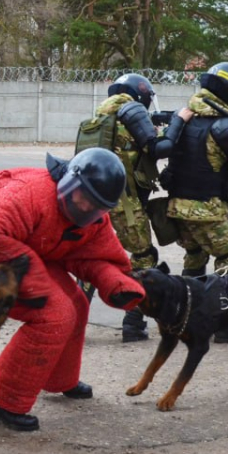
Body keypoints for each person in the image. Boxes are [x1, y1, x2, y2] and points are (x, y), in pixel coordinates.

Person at [0, 147, 146, 431]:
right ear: (69, 181)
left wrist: (118, 284)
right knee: (55, 314)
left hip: (31, 251)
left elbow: (96, 255)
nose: (87, 208)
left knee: (76, 302)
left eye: (96, 206)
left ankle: (60, 378)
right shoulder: (28, 193)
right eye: (84, 198)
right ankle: (3, 401)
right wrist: (35, 284)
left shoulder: (92, 216)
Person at [152, 63, 228, 343]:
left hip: (177, 206)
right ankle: (223, 325)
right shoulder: (225, 126)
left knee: (196, 258)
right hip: (205, 209)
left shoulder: (184, 117)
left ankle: (188, 317)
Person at [90, 72, 162, 342]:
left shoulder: (104, 115)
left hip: (97, 201)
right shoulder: (131, 110)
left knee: (92, 261)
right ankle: (133, 322)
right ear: (140, 92)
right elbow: (154, 148)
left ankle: (73, 318)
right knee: (143, 258)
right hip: (125, 204)